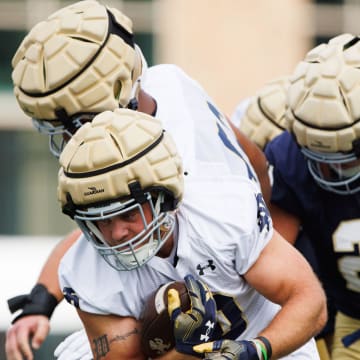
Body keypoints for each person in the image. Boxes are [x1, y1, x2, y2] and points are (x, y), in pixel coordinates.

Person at [5, 1, 271, 359]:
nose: (68, 140)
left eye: (72, 125)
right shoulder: (170, 80)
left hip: (225, 318)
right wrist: (43, 296)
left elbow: (112, 241)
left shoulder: (161, 163)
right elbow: (253, 156)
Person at [54, 107, 325, 359]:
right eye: (100, 221)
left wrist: (252, 352)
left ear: (164, 195)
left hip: (268, 343)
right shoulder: (85, 272)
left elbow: (309, 302)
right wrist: (185, 354)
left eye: (128, 213)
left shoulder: (223, 212)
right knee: (73, 353)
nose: (117, 233)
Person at [264, 33, 360, 359]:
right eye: (321, 160)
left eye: (347, 159)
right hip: (350, 315)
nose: (333, 173)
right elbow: (272, 254)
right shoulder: (290, 160)